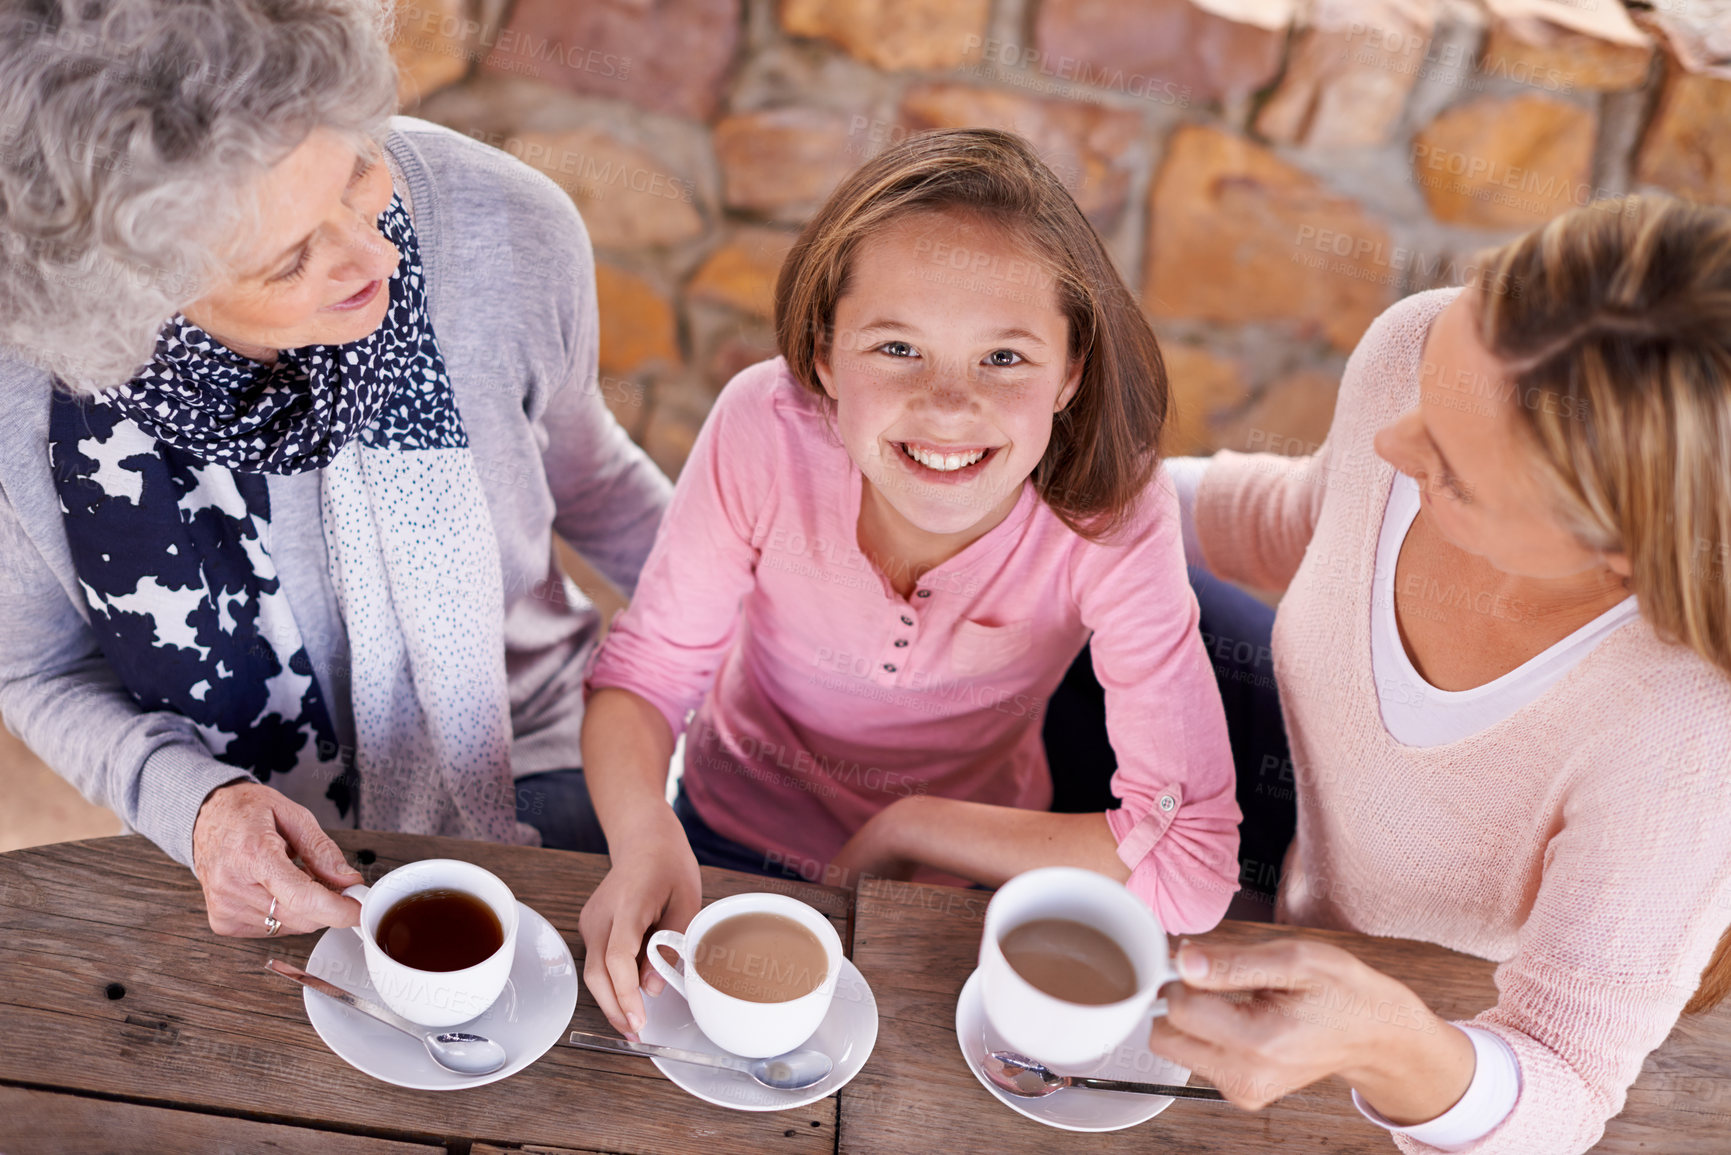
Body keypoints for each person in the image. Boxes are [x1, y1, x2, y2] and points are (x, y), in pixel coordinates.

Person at [0, 0, 668, 938]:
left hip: (533, 751)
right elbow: (34, 670)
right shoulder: (25, 391)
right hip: (245, 828)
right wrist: (195, 807)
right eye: (288, 261)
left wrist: (776, 641)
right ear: (136, 296)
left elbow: (592, 482)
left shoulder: (513, 230)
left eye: (358, 169)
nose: (379, 250)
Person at [576, 127, 1243, 1038]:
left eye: (1004, 357)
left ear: (1070, 370)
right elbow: (647, 675)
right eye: (896, 348)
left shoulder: (1113, 509)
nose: (948, 405)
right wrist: (642, 833)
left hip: (959, 893)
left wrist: (913, 825)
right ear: (823, 354)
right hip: (720, 840)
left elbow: (1194, 867)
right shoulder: (762, 425)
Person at [1144, 196, 1731, 1154]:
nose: (1393, 443)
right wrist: (1049, 490)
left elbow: (1566, 1083)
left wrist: (1390, 1043)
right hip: (1278, 870)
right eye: (1427, 389)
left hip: (1401, 1037)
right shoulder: (1416, 349)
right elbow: (1305, 518)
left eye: (1450, 475)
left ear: (1627, 553)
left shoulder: (1686, 742)